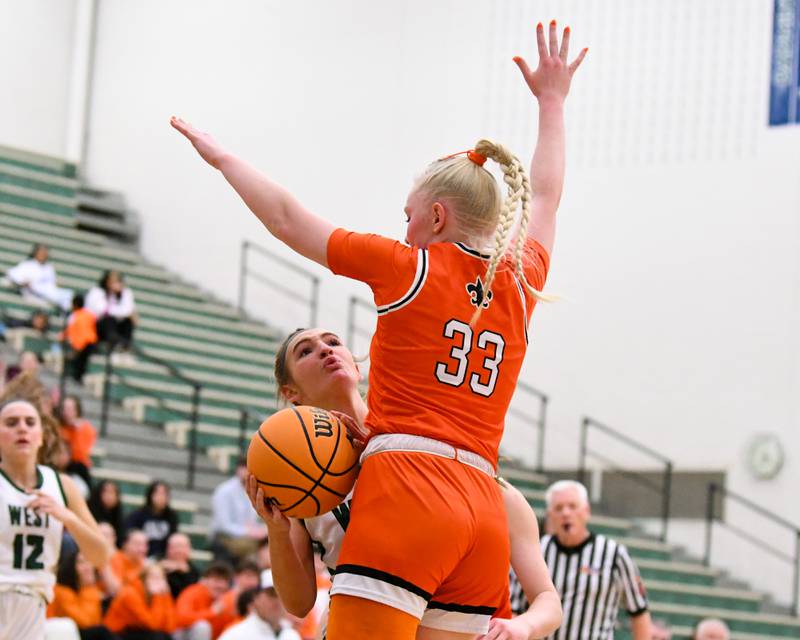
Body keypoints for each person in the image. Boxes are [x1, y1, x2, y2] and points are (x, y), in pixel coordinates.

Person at [173, 21, 585, 638]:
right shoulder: (521, 278)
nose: (404, 226)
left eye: (409, 215)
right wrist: (552, 103)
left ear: (437, 216)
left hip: (410, 488)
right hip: (481, 504)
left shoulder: (409, 265)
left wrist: (224, 158)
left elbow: (288, 220)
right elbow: (546, 196)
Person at [245, 328, 561, 639]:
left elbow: (548, 600)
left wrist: (523, 626)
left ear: (356, 367)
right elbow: (299, 604)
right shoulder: (298, 481)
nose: (325, 350)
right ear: (291, 393)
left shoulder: (443, 455)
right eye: (305, 351)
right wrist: (277, 530)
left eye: (333, 342)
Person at [0, 397, 111, 640]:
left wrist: (68, 518)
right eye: (11, 422)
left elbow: (101, 555)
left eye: (30, 422)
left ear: (41, 436)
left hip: (33, 605)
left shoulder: (62, 486)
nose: (22, 428)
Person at [514, 480, 651, 640]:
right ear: (550, 515)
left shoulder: (614, 554)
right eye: (558, 508)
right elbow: (514, 608)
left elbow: (639, 612)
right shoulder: (534, 551)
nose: (566, 513)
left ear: (587, 511)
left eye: (572, 506)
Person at [47, 550, 118, 640]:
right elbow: (85, 622)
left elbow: (95, 620)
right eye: (82, 562)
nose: (88, 567)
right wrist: (89, 589)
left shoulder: (87, 590)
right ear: (71, 567)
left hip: (79, 633)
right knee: (101, 631)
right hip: (58, 634)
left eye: (89, 562)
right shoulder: (61, 591)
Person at [209, 459, 267, 563]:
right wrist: (249, 532)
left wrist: (259, 530)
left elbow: (252, 521)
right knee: (256, 546)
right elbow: (224, 526)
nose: (246, 472)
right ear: (237, 470)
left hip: (247, 534)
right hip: (223, 536)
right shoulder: (224, 491)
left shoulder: (254, 489)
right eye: (244, 467)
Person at [103, 561, 176, 640]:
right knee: (157, 637)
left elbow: (170, 627)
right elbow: (152, 624)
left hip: (134, 629)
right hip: (114, 633)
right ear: (143, 578)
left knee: (165, 636)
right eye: (153, 577)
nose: (158, 582)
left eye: (161, 578)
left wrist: (166, 596)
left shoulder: (154, 594)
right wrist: (159, 597)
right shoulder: (130, 593)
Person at [218, 572, 301, 640]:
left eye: (284, 595)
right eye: (272, 594)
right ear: (255, 598)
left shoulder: (292, 635)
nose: (278, 601)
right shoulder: (235, 635)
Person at [174, 562, 234, 640]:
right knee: (202, 626)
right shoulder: (192, 592)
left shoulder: (227, 599)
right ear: (205, 580)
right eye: (216, 580)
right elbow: (181, 618)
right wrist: (212, 612)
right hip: (182, 634)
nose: (220, 585)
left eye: (225, 581)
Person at [5, 243, 73, 310]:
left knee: (70, 295)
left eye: (45, 253)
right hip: (34, 293)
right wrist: (22, 283)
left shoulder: (49, 267)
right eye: (42, 252)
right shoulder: (27, 265)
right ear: (36, 253)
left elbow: (52, 284)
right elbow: (12, 274)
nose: (44, 254)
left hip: (49, 292)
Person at [123, 481, 178, 559]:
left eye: (165, 494)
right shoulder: (138, 515)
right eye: (158, 494)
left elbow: (172, 539)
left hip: (163, 558)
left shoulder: (172, 516)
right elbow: (127, 537)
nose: (162, 497)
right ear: (150, 495)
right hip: (140, 556)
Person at [85, 271, 137, 351]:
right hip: (98, 327)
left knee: (128, 322)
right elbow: (101, 310)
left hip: (117, 327)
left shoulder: (124, 293)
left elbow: (128, 310)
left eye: (117, 281)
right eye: (112, 281)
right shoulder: (97, 292)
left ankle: (124, 346)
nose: (114, 284)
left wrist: (119, 297)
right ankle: (113, 341)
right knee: (109, 320)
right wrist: (119, 312)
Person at [58, 395, 97, 490]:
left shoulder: (86, 429)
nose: (66, 412)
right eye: (64, 408)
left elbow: (81, 453)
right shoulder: (59, 428)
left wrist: (77, 431)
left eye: (70, 409)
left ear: (77, 411)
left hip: (79, 467)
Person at [61, 294, 98, 384]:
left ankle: (76, 377)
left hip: (82, 342)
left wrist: (62, 337)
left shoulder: (74, 316)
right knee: (83, 361)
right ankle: (78, 377)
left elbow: (70, 329)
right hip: (91, 341)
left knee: (79, 361)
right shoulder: (89, 314)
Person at [160, 533, 199, 599]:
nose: (179, 550)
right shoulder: (158, 564)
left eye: (182, 546)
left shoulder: (194, 571)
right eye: (176, 546)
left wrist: (180, 568)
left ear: (189, 549)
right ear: (168, 548)